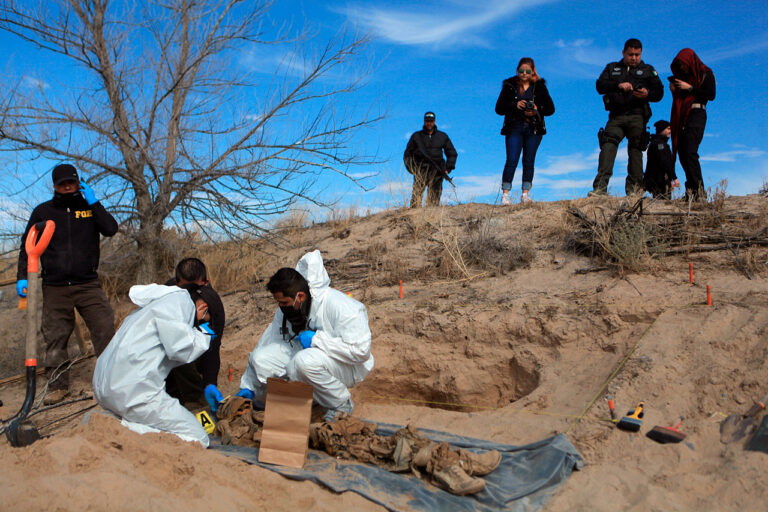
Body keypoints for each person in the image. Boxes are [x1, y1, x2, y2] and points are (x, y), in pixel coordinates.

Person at [16, 163, 118, 404]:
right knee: (55, 337)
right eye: (62, 183)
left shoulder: (89, 207)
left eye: (71, 182)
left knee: (104, 328)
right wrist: (22, 276)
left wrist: (95, 203)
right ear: (55, 186)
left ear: (78, 182)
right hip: (55, 286)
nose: (68, 186)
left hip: (87, 284)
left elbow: (111, 229)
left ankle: (111, 380)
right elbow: (27, 245)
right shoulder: (43, 211)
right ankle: (58, 386)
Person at [232, 250, 374, 422]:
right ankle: (304, 401)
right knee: (261, 359)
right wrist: (248, 386)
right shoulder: (287, 309)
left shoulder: (342, 306)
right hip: (310, 359)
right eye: (278, 302)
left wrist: (316, 340)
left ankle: (341, 404)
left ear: (300, 296)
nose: (281, 307)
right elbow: (267, 342)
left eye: (284, 302)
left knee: (302, 363)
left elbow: (360, 352)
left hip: (348, 366)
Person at [92, 284, 216, 447]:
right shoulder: (180, 303)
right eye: (204, 319)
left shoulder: (157, 304)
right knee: (198, 438)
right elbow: (181, 350)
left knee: (158, 422)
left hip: (107, 387)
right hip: (133, 391)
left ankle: (114, 421)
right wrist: (205, 334)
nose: (199, 323)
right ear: (202, 308)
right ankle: (119, 427)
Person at [590, 39, 664, 197]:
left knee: (636, 150)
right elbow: (600, 86)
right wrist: (618, 85)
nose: (634, 58)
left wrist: (647, 94)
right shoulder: (612, 68)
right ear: (623, 53)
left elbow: (659, 93)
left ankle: (634, 191)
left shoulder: (648, 70)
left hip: (637, 116)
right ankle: (600, 189)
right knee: (608, 147)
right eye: (631, 54)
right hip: (616, 116)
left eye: (637, 54)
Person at [162, 258, 226, 412]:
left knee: (184, 348)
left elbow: (212, 346)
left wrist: (210, 383)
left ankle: (195, 399)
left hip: (192, 354)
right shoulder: (166, 294)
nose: (191, 292)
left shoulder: (211, 302)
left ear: (206, 282)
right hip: (165, 353)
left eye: (196, 287)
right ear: (176, 282)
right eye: (186, 287)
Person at [494, 57, 555, 205]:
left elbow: (550, 109)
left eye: (528, 71)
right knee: (512, 159)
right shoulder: (509, 86)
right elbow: (499, 109)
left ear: (533, 71)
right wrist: (515, 105)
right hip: (514, 127)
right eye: (521, 71)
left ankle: (525, 194)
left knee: (529, 161)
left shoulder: (539, 87)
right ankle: (505, 194)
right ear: (517, 71)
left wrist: (536, 108)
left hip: (534, 129)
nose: (524, 74)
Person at [669, 48, 716, 201]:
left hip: (697, 114)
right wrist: (675, 90)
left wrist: (689, 88)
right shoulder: (685, 76)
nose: (682, 68)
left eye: (684, 64)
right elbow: (681, 98)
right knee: (683, 152)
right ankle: (692, 192)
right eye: (680, 65)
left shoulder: (706, 73)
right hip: (684, 116)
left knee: (689, 150)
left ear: (690, 61)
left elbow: (711, 95)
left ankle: (699, 192)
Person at [403, 111, 458, 208]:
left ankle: (432, 216)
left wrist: (448, 168)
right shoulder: (416, 136)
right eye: (427, 121)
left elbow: (452, 153)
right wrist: (412, 169)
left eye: (431, 121)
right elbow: (407, 155)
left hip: (437, 171)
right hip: (420, 170)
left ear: (434, 121)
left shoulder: (442, 136)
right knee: (416, 199)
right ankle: (414, 215)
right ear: (424, 121)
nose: (429, 123)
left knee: (434, 201)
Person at [643, 120, 680, 198]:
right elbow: (664, 161)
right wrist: (674, 178)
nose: (670, 131)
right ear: (661, 129)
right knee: (663, 201)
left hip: (660, 181)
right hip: (660, 181)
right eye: (668, 129)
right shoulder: (659, 144)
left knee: (661, 200)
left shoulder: (658, 143)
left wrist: (669, 180)